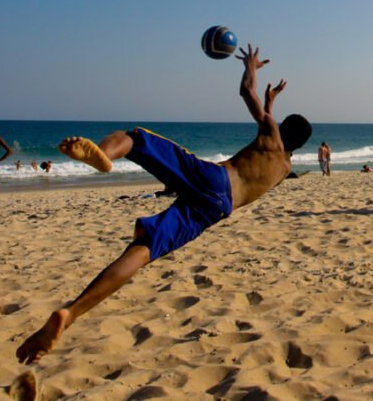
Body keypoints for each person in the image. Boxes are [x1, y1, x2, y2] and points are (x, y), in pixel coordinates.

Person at [16, 44, 312, 364]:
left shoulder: (270, 132)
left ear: (281, 127)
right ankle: (69, 313)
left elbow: (245, 91)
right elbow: (272, 128)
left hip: (215, 179)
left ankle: (106, 153)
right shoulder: (283, 169)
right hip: (218, 209)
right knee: (144, 249)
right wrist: (270, 103)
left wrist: (251, 67)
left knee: (136, 138)